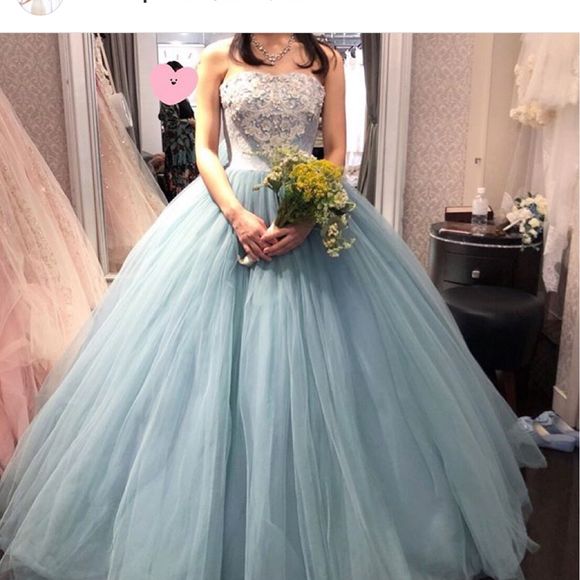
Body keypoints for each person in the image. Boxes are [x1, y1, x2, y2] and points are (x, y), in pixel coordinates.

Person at [0, 34, 546, 580]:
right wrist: (237, 216)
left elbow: (335, 150)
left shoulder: (326, 58)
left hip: (308, 210)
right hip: (228, 212)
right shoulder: (218, 56)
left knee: (347, 368)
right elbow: (206, 150)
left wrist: (307, 215)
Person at [158, 61, 199, 201]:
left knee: (191, 184)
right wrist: (190, 123)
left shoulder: (182, 97)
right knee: (179, 187)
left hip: (189, 149)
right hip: (177, 152)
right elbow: (171, 124)